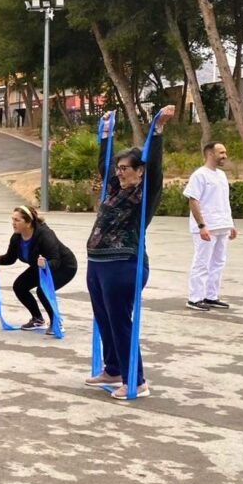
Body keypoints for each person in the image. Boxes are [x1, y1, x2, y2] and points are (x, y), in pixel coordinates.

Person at [85, 105, 176, 400]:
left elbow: (157, 170)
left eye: (125, 168)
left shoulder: (143, 195)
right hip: (98, 264)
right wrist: (106, 135)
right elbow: (103, 165)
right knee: (104, 318)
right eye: (119, 168)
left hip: (123, 264)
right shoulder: (114, 189)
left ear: (140, 171)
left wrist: (157, 131)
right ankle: (113, 368)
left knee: (120, 320)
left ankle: (136, 380)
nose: (119, 173)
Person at [0, 205, 78, 332]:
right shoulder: (17, 237)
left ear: (28, 223)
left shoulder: (45, 234)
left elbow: (55, 260)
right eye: (12, 219)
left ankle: (56, 322)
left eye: (17, 220)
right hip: (41, 266)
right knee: (19, 286)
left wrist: (45, 265)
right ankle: (38, 319)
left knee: (42, 290)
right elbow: (10, 258)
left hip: (64, 266)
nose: (13, 223)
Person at [184, 143, 237, 311]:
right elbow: (193, 200)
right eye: (221, 152)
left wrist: (231, 224)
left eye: (225, 152)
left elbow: (224, 201)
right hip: (206, 228)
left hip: (222, 225)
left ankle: (210, 296)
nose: (224, 155)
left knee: (218, 262)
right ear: (209, 154)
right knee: (202, 262)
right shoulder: (199, 175)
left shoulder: (221, 175)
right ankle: (194, 298)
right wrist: (201, 225)